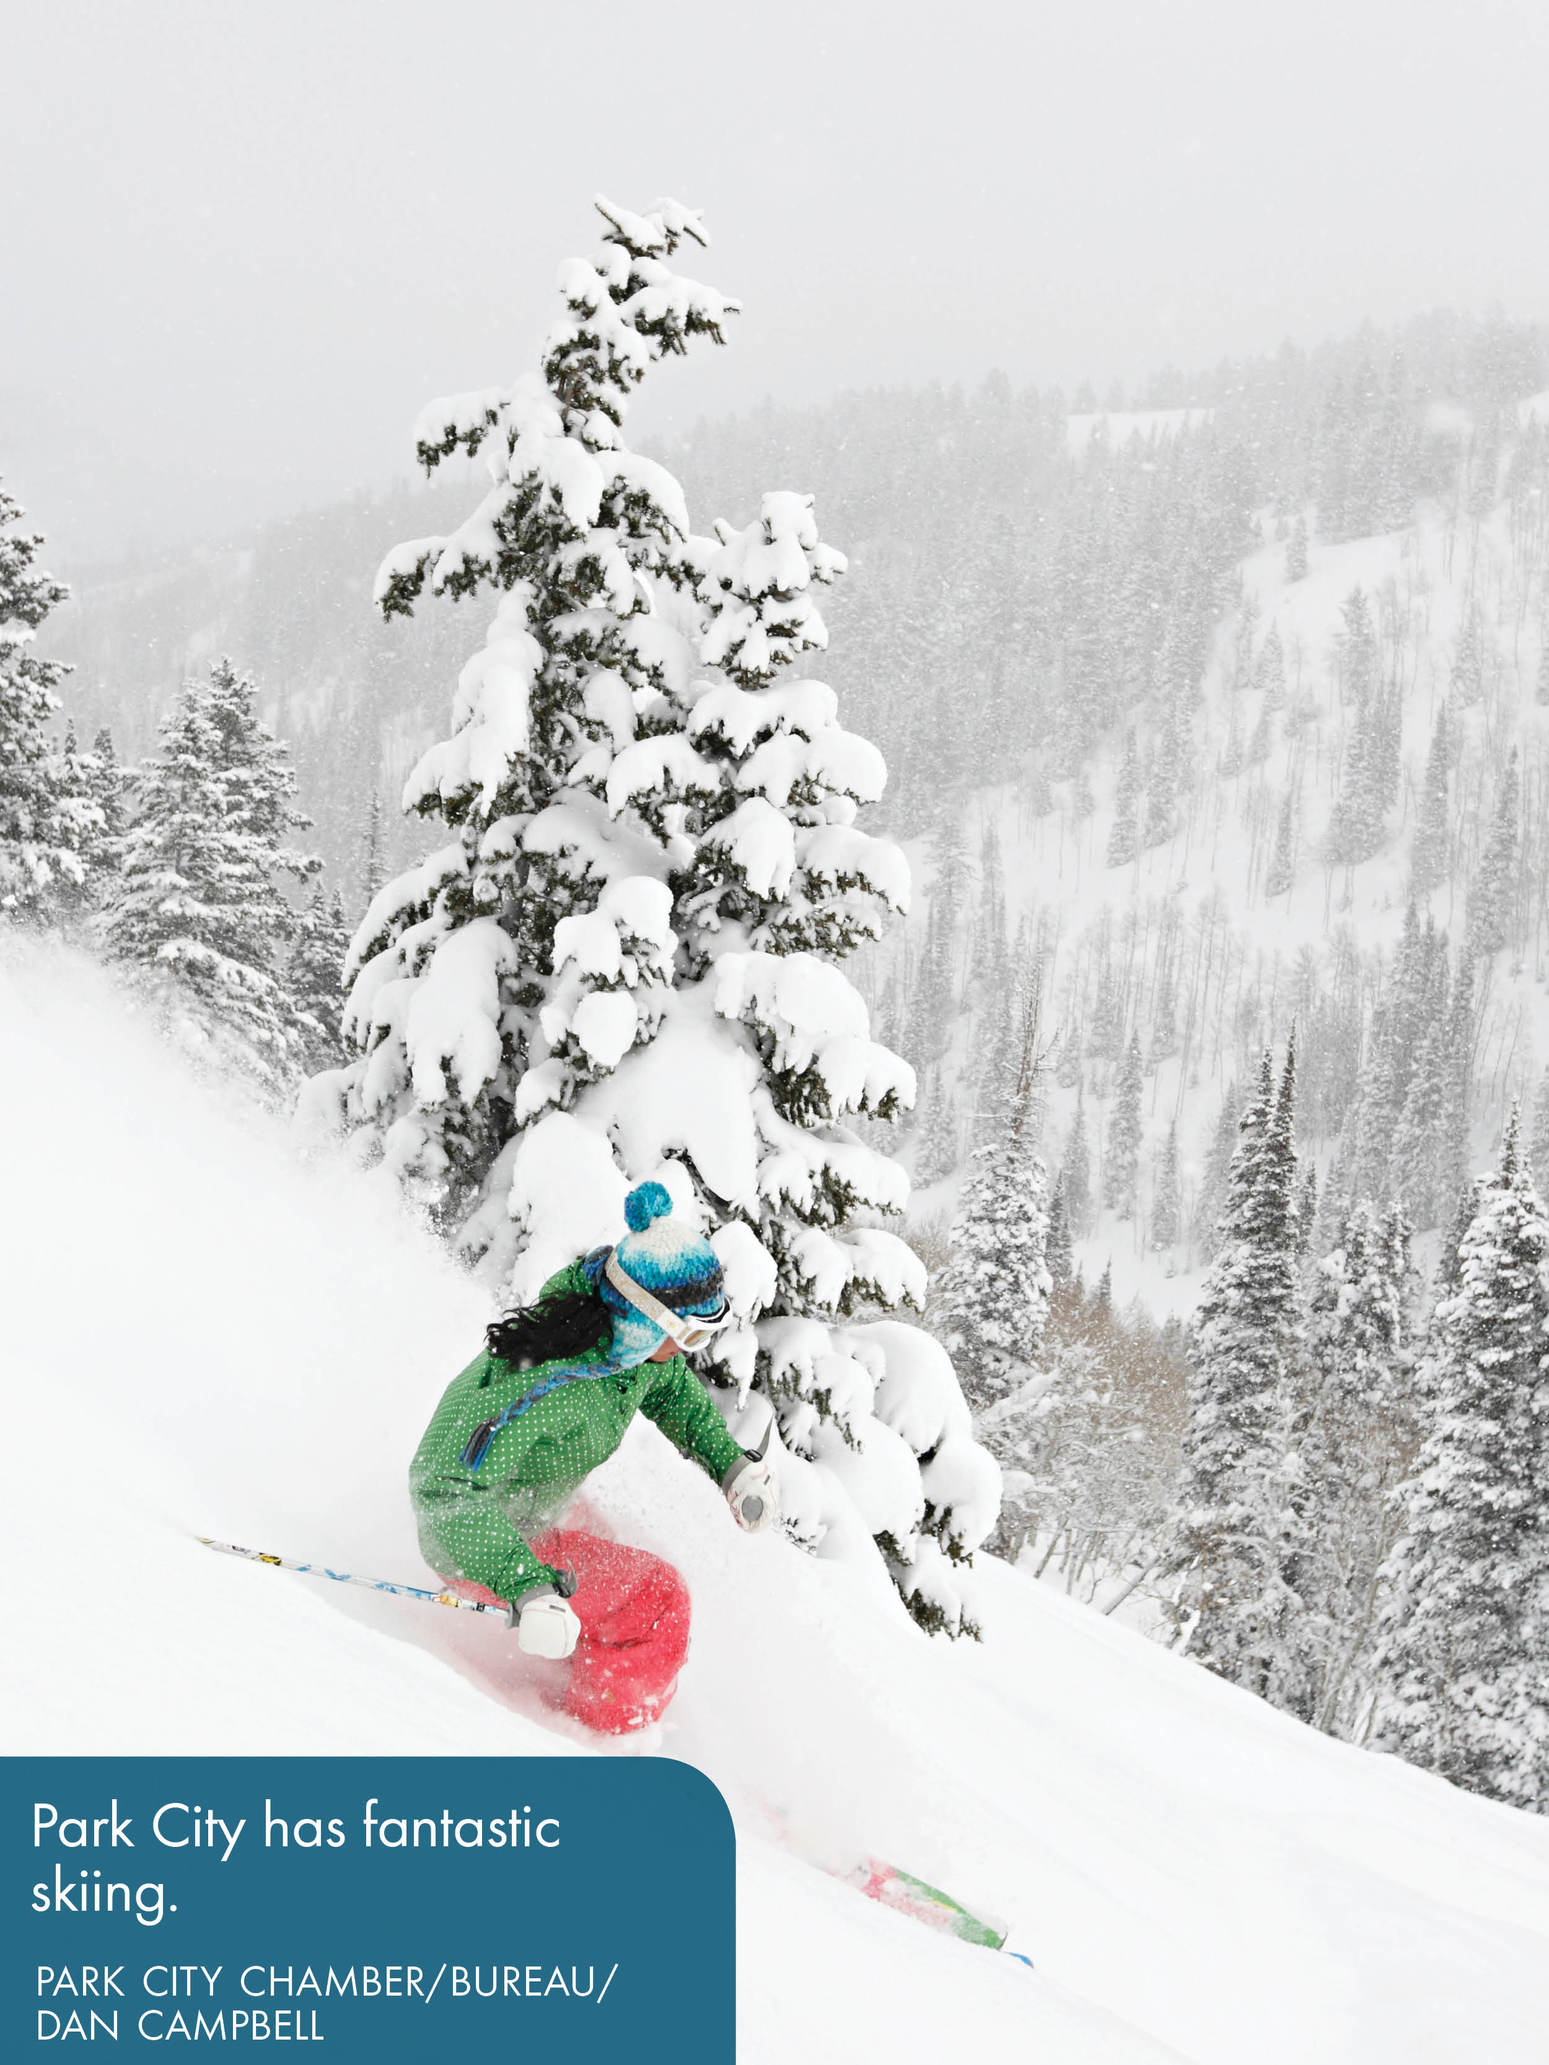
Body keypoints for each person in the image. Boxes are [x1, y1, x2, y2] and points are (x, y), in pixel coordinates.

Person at [409, 1180, 778, 1735]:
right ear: (651, 1320)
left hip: (528, 1509)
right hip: (480, 1539)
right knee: (658, 1601)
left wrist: (731, 1466)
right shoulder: (546, 1386)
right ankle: (596, 1736)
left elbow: (669, 1389)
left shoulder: (622, 1342)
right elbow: (443, 1490)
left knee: (621, 1558)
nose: (689, 1351)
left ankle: (583, 1667)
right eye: (694, 1334)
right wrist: (526, 1585)